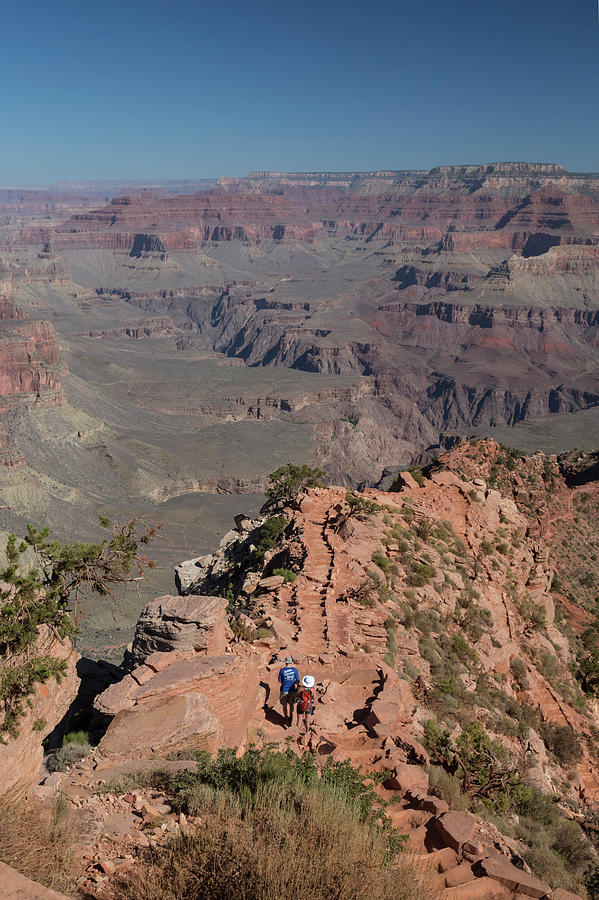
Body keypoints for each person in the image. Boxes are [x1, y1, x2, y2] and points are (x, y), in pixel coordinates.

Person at [277, 656, 299, 726]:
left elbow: (279, 681)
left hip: (284, 689)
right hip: (292, 690)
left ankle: (286, 717)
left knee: (284, 705)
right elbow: (298, 680)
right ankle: (291, 717)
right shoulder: (295, 670)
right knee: (291, 704)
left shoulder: (282, 670)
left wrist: (285, 681)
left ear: (285, 662)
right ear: (291, 662)